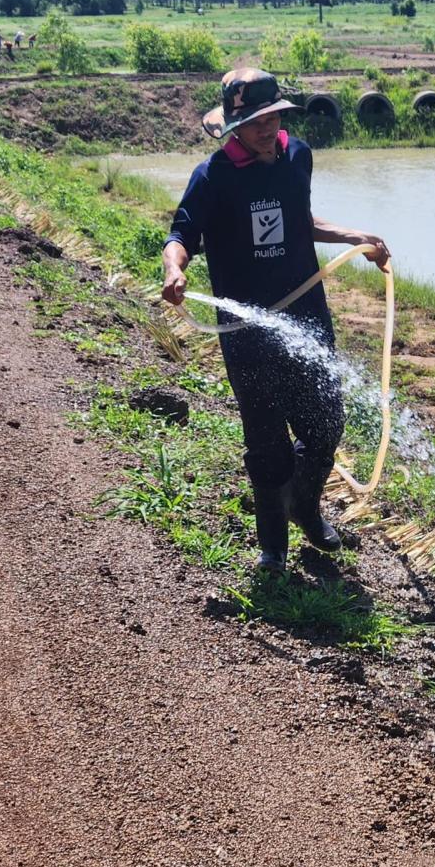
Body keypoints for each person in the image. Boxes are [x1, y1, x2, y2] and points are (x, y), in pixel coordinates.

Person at [161, 69, 391, 572]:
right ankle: (273, 547)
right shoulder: (214, 176)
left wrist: (356, 236)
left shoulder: (298, 156)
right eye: (254, 121)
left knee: (326, 423)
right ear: (233, 126)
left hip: (307, 318)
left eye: (273, 118)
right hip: (246, 333)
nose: (267, 129)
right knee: (266, 440)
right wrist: (174, 271)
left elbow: (301, 222)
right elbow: (181, 236)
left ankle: (304, 507)